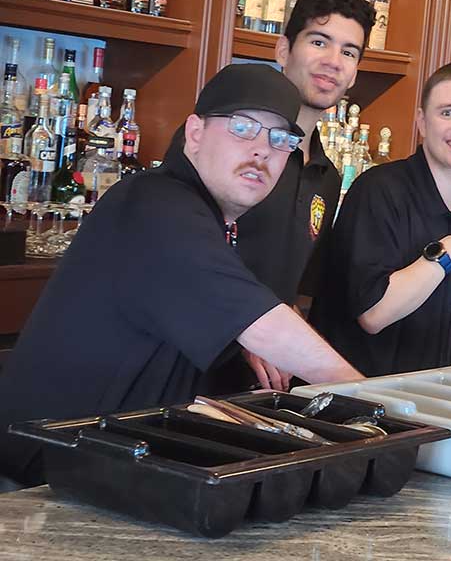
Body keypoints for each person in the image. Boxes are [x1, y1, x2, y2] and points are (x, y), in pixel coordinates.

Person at [0, 64, 362, 487]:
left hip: (100, 466)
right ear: (194, 133)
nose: (263, 150)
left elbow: (233, 313)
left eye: (280, 138)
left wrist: (244, 339)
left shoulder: (205, 217)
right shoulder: (155, 203)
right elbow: (261, 322)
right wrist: (376, 400)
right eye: (244, 128)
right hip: (35, 486)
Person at [310, 62, 451, 377]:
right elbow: (373, 314)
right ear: (422, 122)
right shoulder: (381, 190)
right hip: (349, 402)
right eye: (448, 112)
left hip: (412, 401)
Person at [232, 0, 375, 391]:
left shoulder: (326, 176)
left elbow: (289, 283)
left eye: (348, 52)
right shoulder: (238, 146)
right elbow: (189, 255)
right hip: (188, 371)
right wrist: (252, 326)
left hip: (261, 386)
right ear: (283, 50)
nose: (334, 61)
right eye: (319, 42)